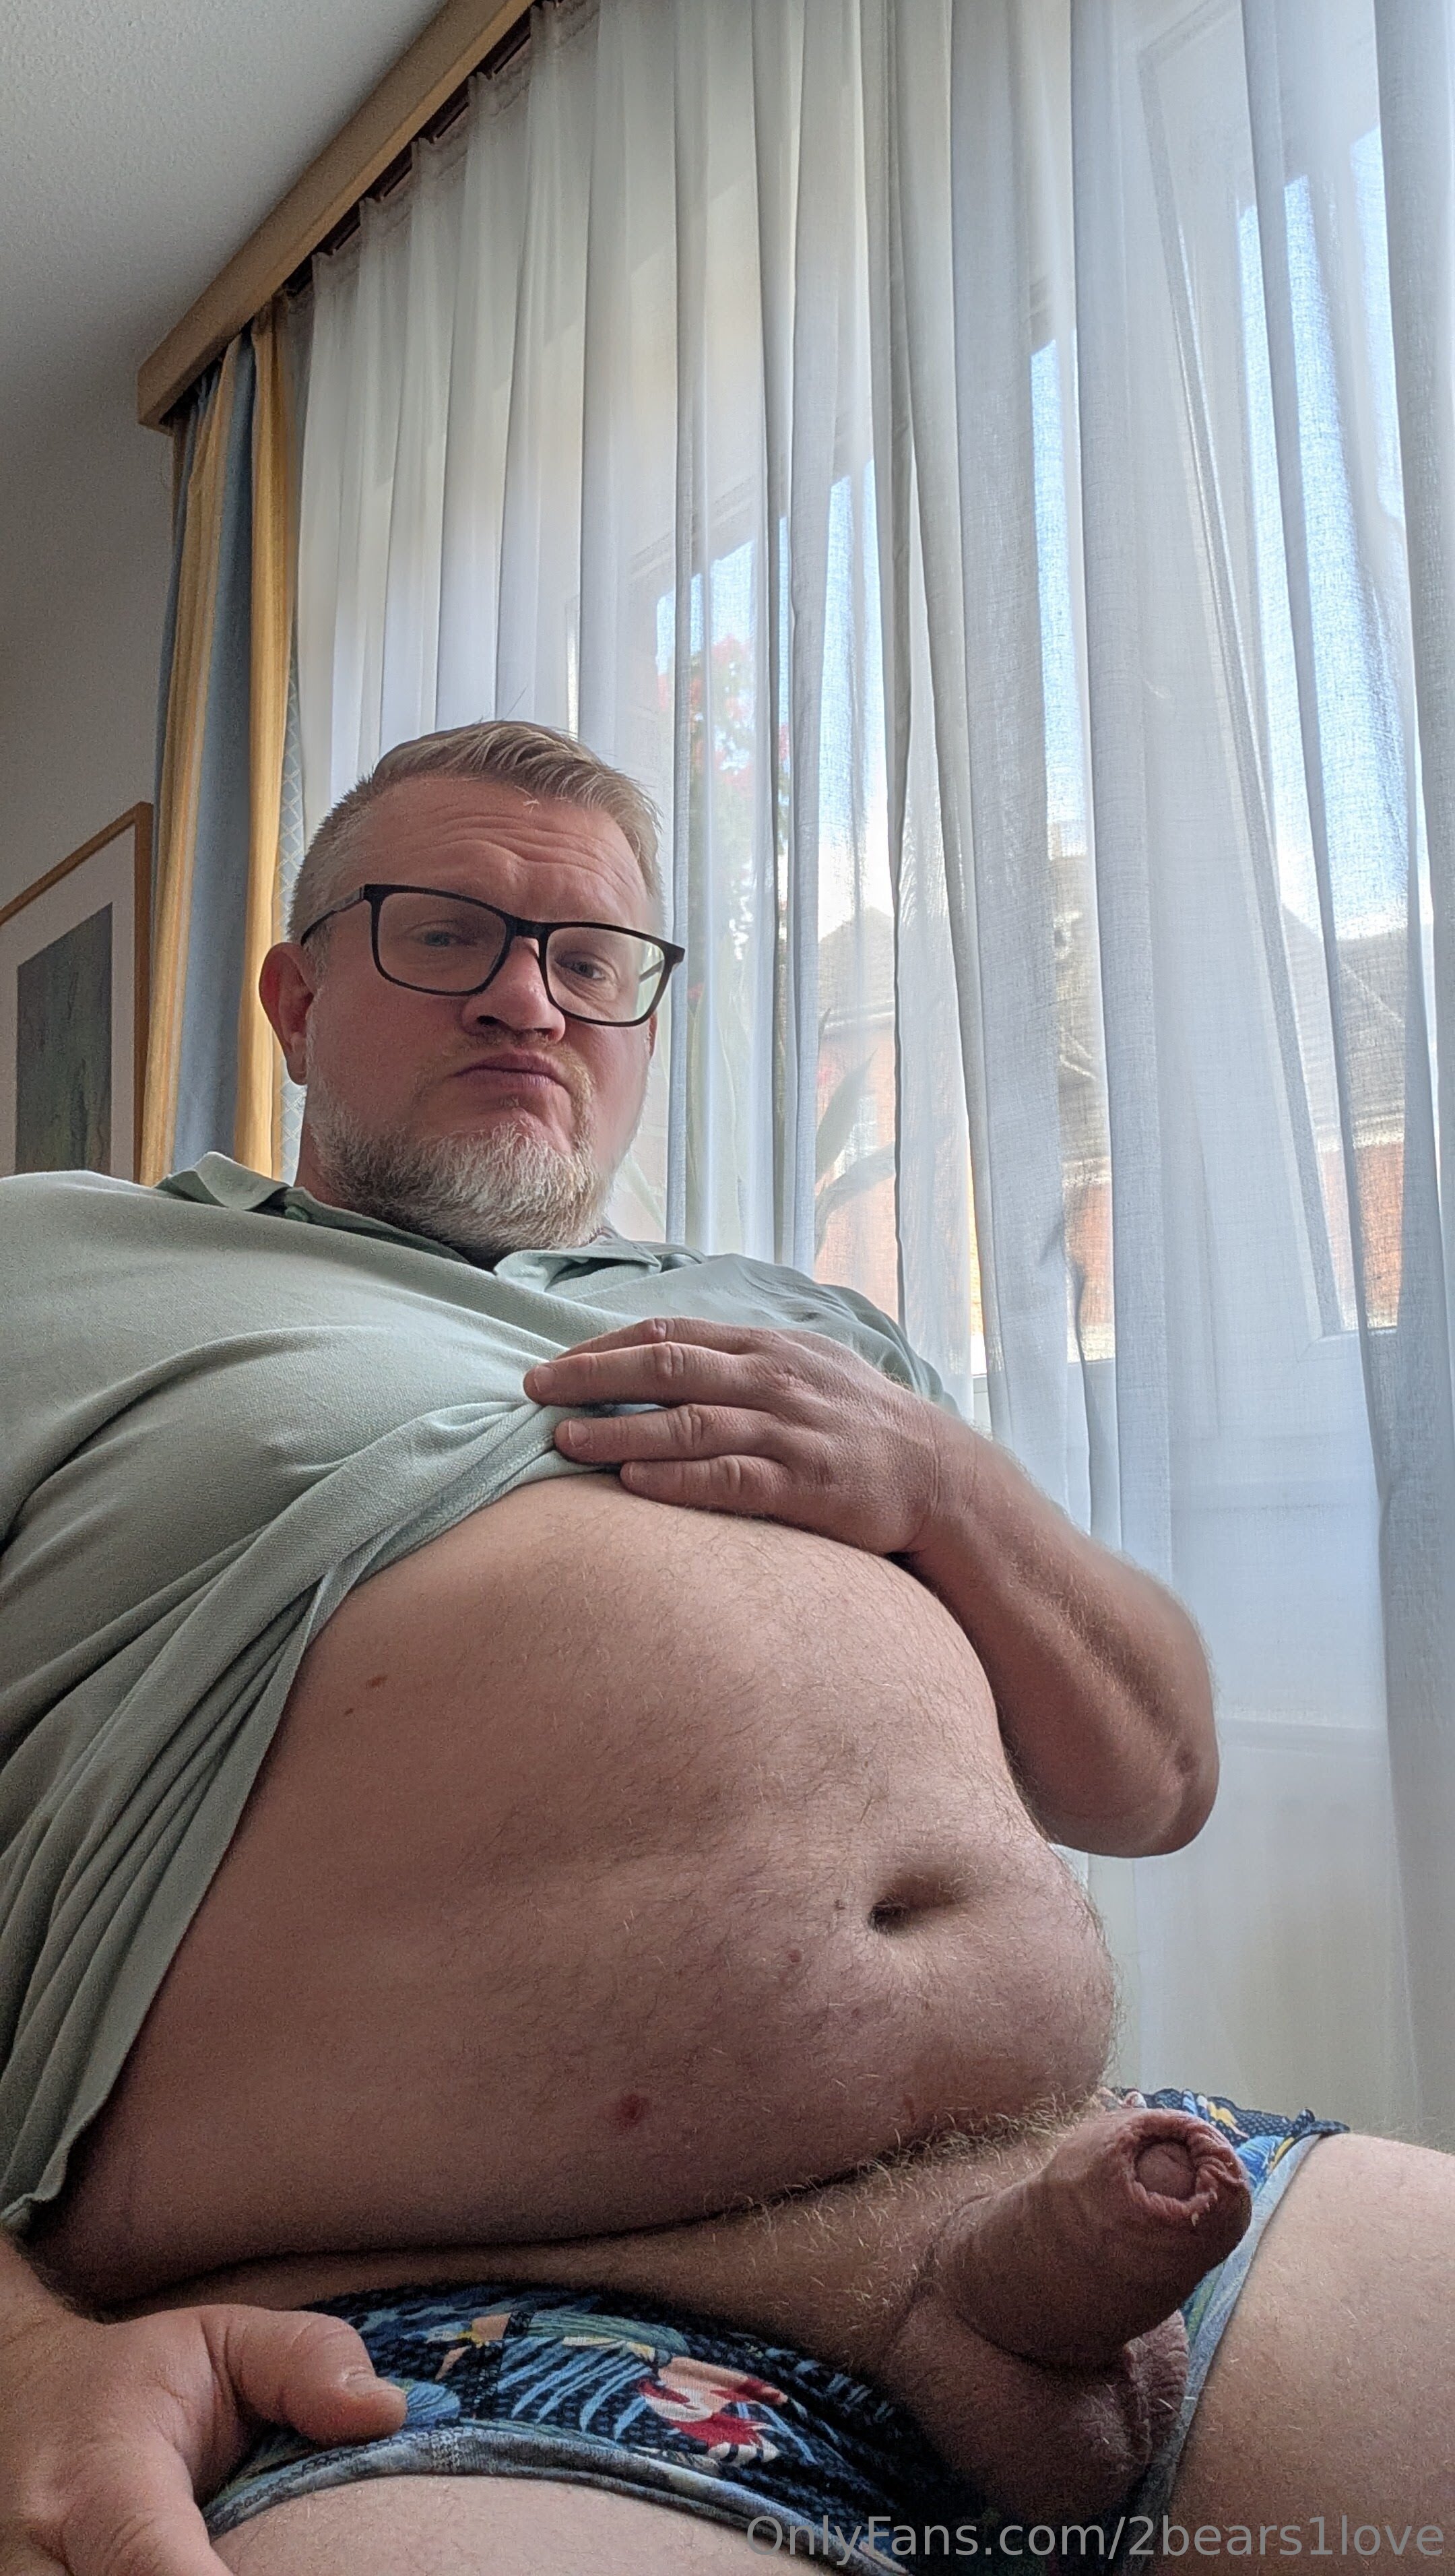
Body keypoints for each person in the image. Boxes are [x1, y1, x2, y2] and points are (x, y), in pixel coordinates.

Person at [0, 722, 1449, 2576]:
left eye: (592, 961)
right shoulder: (57, 1264)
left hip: (1071, 2207)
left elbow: (1155, 1778)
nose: (528, 998)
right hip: (434, 2325)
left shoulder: (803, 1326)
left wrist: (943, 1483)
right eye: (443, 933)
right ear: (294, 1000)